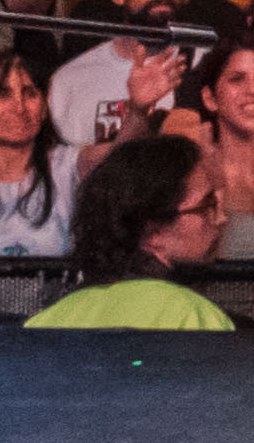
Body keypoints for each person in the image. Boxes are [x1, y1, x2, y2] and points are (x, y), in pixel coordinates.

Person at [25, 134, 234, 331]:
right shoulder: (199, 319)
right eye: (207, 205)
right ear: (153, 236)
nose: (220, 218)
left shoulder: (44, 323)